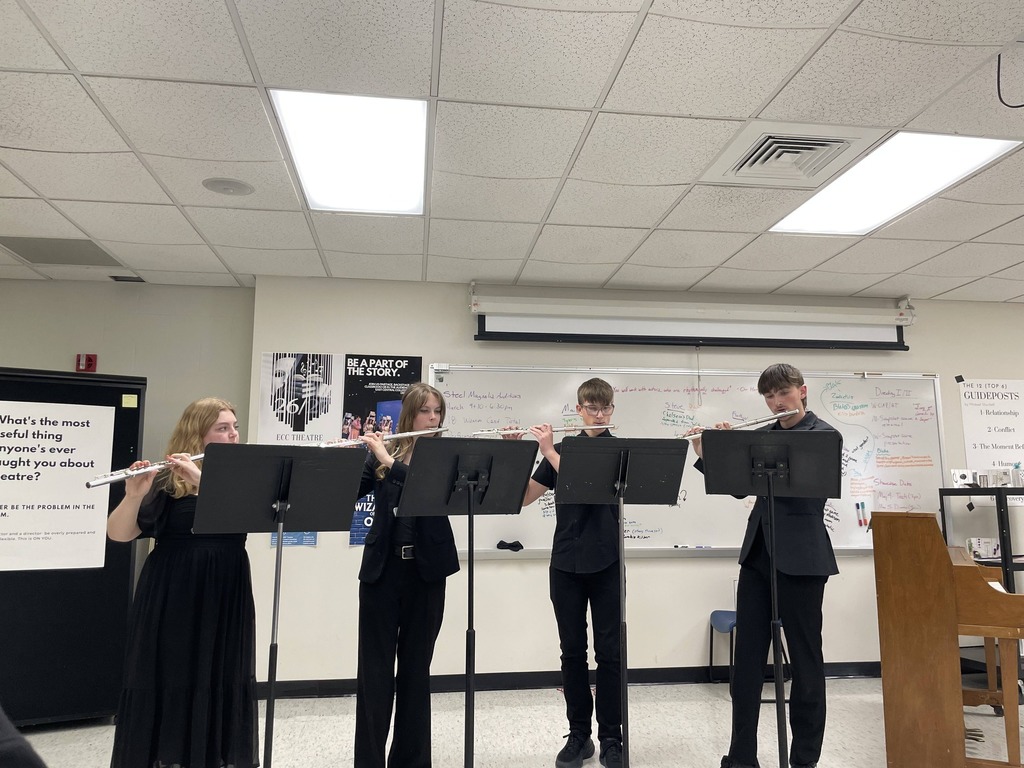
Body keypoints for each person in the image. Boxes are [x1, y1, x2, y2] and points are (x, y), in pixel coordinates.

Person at [687, 364, 839, 768]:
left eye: (783, 393)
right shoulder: (762, 436)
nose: (776, 403)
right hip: (758, 559)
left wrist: (746, 449)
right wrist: (713, 451)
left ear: (802, 391)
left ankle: (804, 758)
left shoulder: (823, 436)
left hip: (803, 560)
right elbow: (738, 489)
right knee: (748, 663)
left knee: (806, 662)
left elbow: (809, 491)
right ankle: (741, 757)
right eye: (769, 397)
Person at [106, 398, 258, 768]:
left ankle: (213, 756)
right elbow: (119, 534)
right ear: (197, 432)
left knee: (218, 668)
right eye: (223, 428)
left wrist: (202, 480)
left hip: (225, 586)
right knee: (170, 669)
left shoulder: (239, 474)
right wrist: (133, 495)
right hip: (172, 589)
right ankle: (168, 756)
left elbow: (244, 516)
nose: (233, 434)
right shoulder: (164, 477)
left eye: (234, 426)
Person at [505, 378, 623, 768]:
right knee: (573, 654)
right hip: (566, 564)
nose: (599, 413)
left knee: (608, 655)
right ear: (579, 409)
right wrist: (513, 456)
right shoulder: (563, 450)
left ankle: (611, 738)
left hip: (606, 563)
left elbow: (586, 485)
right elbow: (523, 497)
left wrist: (550, 451)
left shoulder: (615, 450)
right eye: (592, 407)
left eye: (605, 407)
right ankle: (579, 736)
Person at [353, 382, 459, 768]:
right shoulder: (384, 454)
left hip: (426, 574)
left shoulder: (445, 456)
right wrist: (352, 456)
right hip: (383, 572)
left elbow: (425, 489)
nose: (432, 419)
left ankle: (411, 762)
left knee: (416, 673)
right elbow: (347, 491)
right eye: (425, 411)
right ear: (409, 415)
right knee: (374, 674)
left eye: (437, 412)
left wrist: (388, 460)